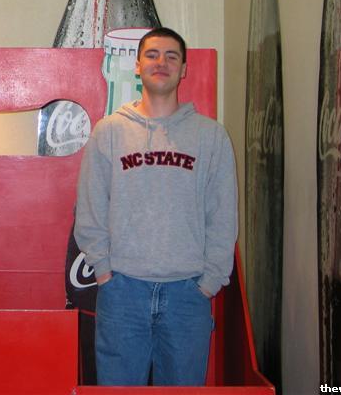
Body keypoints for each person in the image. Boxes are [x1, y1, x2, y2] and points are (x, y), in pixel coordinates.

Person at [74, 27, 238, 386]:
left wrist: (208, 283)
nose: (161, 62)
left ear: (184, 69)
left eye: (171, 56)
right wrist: (104, 272)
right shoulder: (109, 132)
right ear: (137, 66)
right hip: (122, 292)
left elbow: (223, 217)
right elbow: (89, 208)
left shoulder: (211, 136)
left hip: (187, 295)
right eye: (151, 55)